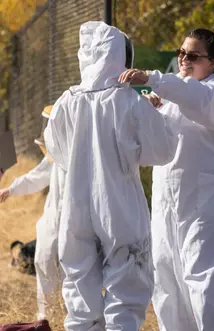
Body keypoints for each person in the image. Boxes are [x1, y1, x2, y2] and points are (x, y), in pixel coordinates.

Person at [44, 21, 177, 331]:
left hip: (75, 206)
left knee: (79, 285)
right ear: (119, 57)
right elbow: (163, 150)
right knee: (126, 285)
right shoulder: (128, 101)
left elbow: (57, 150)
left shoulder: (66, 102)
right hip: (118, 203)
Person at [119, 28, 214, 331]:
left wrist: (152, 77)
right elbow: (168, 140)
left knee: (203, 280)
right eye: (181, 53)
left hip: (205, 203)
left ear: (213, 62)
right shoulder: (174, 95)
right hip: (167, 201)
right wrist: (155, 111)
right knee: (166, 278)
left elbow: (196, 99)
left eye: (194, 55)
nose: (185, 59)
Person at [0, 106, 66, 320]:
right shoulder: (55, 158)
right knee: (44, 263)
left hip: (72, 224)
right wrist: (10, 189)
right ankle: (46, 320)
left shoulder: (78, 154)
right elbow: (36, 177)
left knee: (72, 278)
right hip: (53, 223)